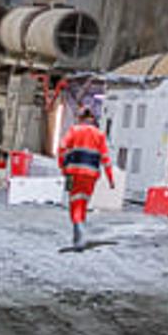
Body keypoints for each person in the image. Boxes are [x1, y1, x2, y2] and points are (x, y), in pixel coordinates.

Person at [57, 104, 111, 249]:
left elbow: (62, 147)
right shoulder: (99, 135)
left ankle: (79, 228)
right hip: (91, 175)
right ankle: (79, 231)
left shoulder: (74, 131)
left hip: (73, 173)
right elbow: (105, 159)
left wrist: (62, 165)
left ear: (79, 118)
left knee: (74, 203)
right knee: (83, 203)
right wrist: (110, 178)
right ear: (92, 119)